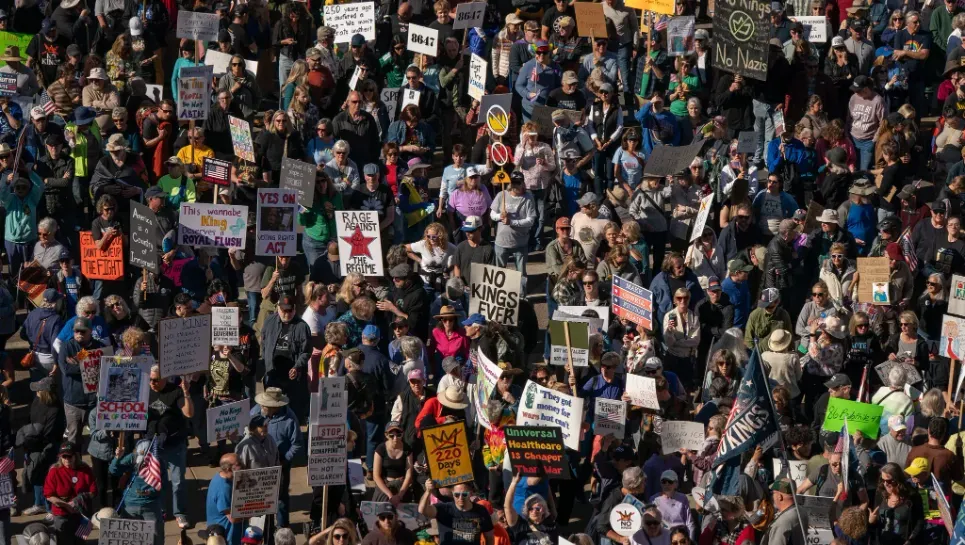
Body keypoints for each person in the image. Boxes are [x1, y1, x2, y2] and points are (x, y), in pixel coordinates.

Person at [44, 442, 96, 545]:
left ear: (76, 456)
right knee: (65, 541)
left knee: (80, 541)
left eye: (70, 456)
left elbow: (93, 491)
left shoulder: (85, 469)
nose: (67, 459)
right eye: (64, 456)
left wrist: (82, 497)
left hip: (81, 514)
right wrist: (67, 505)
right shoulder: (54, 471)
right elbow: (49, 495)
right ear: (60, 457)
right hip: (61, 514)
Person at [419, 479, 495, 545]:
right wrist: (428, 491)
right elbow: (422, 510)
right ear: (452, 493)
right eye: (457, 495)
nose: (460, 498)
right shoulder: (444, 509)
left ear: (470, 493)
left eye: (464, 494)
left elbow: (489, 538)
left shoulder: (481, 511)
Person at [207, 453, 244, 545]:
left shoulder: (220, 476)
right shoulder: (223, 488)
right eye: (239, 464)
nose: (243, 465)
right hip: (226, 535)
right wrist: (254, 512)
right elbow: (233, 518)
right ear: (228, 469)